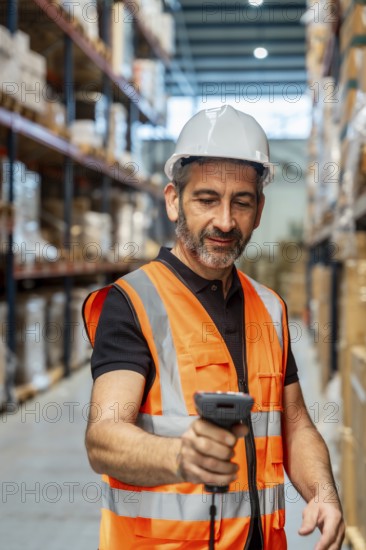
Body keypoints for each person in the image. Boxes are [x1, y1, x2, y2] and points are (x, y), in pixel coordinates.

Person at [83, 105, 345, 549]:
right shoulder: (134, 302)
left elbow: (295, 423)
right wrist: (178, 456)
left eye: (241, 202)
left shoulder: (270, 307)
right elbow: (104, 437)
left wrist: (323, 493)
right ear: (172, 200)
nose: (225, 221)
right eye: (206, 199)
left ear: (259, 210)